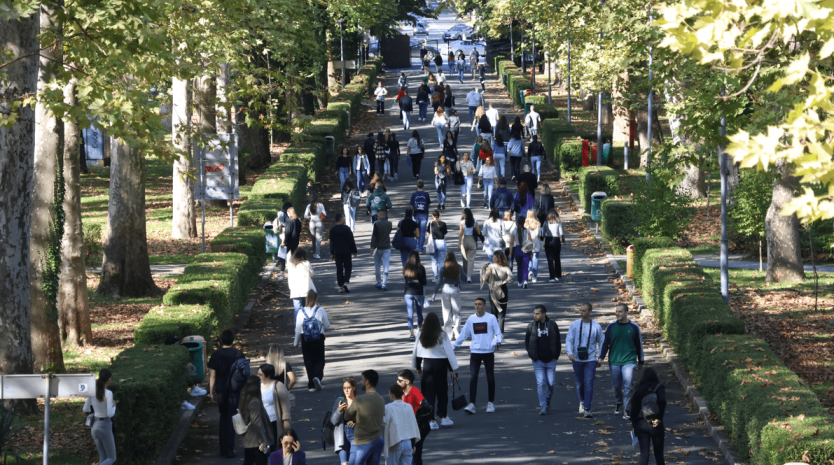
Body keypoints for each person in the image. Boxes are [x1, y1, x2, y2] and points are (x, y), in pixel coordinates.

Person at [453, 298, 504, 415]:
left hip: (488, 352)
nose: (477, 306)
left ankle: (490, 402)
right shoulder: (471, 319)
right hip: (475, 352)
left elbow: (498, 334)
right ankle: (472, 404)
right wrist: (454, 345)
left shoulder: (491, 318)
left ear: (485, 306)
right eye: (475, 304)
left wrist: (495, 341)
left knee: (490, 378)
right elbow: (463, 334)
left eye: (480, 304)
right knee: (473, 378)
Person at [411, 312, 459, 430]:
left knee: (428, 394)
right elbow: (448, 353)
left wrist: (418, 367)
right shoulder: (442, 335)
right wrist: (452, 369)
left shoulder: (421, 334)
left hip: (427, 365)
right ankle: (443, 417)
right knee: (442, 392)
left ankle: (431, 420)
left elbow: (417, 352)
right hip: (441, 365)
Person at [599, 303, 645, 418]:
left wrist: (641, 359)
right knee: (616, 386)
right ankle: (619, 403)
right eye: (616, 311)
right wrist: (601, 357)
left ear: (626, 313)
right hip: (614, 361)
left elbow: (638, 344)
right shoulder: (611, 327)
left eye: (620, 311)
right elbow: (605, 344)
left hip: (629, 360)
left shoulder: (634, 327)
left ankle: (627, 409)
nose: (617, 314)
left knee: (628, 385)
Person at [208, 329, 245, 458]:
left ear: (221, 340)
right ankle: (230, 448)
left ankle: (222, 448)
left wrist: (211, 392)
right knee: (232, 417)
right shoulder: (238, 354)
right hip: (234, 391)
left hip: (221, 391)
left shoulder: (216, 355)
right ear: (232, 340)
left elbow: (212, 376)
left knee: (223, 417)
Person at [566, 303, 605, 418]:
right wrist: (570, 352)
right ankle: (582, 401)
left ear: (590, 311)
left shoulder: (596, 326)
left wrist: (600, 357)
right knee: (580, 383)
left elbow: (602, 342)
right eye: (580, 310)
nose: (581, 313)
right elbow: (569, 340)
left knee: (589, 383)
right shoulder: (574, 325)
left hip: (590, 359)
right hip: (577, 358)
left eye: (584, 311)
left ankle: (587, 408)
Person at [525, 305, 562, 415]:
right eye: (534, 314)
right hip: (538, 361)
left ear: (544, 314)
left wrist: (556, 356)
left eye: (537, 313)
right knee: (540, 382)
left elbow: (558, 341)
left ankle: (547, 399)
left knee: (551, 383)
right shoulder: (531, 326)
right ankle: (543, 406)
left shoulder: (552, 325)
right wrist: (531, 354)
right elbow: (527, 341)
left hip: (551, 360)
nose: (535, 316)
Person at [344, 370, 386, 465]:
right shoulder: (381, 399)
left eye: (362, 380)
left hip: (362, 442)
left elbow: (347, 416)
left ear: (367, 382)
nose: (361, 382)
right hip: (378, 440)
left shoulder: (359, 400)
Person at [292, 290, 330, 392]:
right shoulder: (321, 310)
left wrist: (296, 342)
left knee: (308, 361)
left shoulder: (301, 312)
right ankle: (317, 377)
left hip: (305, 338)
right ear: (316, 299)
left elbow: (298, 329)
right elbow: (327, 325)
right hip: (318, 338)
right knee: (319, 359)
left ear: (306, 299)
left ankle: (311, 385)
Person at [630, 367, 667, 465]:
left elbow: (633, 410)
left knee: (644, 455)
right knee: (659, 455)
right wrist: (659, 418)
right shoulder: (659, 387)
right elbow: (662, 401)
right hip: (655, 423)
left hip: (641, 423)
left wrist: (635, 426)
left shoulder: (639, 389)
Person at [237, 376, 275, 465]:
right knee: (261, 462)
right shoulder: (255, 402)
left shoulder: (245, 400)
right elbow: (256, 423)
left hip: (249, 439)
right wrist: (262, 441)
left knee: (248, 461)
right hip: (256, 441)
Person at [83, 369, 117, 465]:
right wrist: (114, 406)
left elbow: (85, 409)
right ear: (109, 379)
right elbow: (110, 414)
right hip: (105, 425)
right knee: (111, 458)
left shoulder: (92, 391)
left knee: (103, 457)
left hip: (94, 426)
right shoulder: (108, 393)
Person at [431, 251, 467, 339]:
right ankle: (456, 328)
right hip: (455, 289)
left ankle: (448, 334)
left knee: (446, 312)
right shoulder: (459, 267)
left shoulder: (443, 269)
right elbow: (464, 278)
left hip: (445, 290)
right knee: (456, 311)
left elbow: (439, 282)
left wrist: (434, 293)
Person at [382, 384, 420, 465]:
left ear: (392, 395)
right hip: (408, 442)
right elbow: (413, 426)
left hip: (395, 442)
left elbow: (384, 422)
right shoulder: (408, 406)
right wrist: (413, 444)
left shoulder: (388, 407)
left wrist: (390, 442)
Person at [397, 370, 430, 465]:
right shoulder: (403, 392)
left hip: (418, 427)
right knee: (411, 452)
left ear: (407, 382)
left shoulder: (415, 392)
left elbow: (427, 407)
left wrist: (416, 417)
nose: (397, 382)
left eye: (400, 380)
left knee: (414, 453)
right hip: (409, 427)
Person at [257, 364, 292, 452]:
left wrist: (286, 421)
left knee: (275, 445)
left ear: (267, 375)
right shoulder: (258, 386)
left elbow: (285, 404)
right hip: (262, 421)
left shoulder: (278, 385)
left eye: (260, 374)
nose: (258, 375)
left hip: (274, 421)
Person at [480, 250, 513, 332]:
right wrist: (503, 282)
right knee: (502, 314)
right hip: (503, 290)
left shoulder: (490, 267)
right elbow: (510, 277)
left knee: (493, 312)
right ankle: (500, 333)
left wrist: (483, 270)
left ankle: (494, 332)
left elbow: (484, 278)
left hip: (493, 291)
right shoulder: (506, 268)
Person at [402, 250, 427, 340]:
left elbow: (407, 280)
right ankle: (419, 330)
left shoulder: (406, 267)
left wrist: (412, 281)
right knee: (419, 313)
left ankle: (411, 334)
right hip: (418, 293)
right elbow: (424, 282)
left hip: (408, 293)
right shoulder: (421, 268)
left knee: (410, 314)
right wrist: (418, 281)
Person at [332, 378, 358, 465]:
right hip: (341, 435)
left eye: (349, 388)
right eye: (344, 388)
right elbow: (333, 421)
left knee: (355, 461)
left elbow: (366, 418)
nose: (346, 390)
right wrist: (339, 410)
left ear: (354, 388)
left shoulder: (358, 401)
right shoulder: (339, 401)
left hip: (355, 434)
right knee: (344, 463)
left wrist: (356, 421)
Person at [330, 213, 358, 293]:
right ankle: (346, 280)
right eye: (343, 218)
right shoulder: (346, 229)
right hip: (346, 251)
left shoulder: (332, 230)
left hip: (337, 252)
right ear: (341, 219)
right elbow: (351, 240)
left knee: (339, 268)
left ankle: (341, 286)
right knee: (348, 266)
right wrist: (354, 250)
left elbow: (332, 242)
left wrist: (332, 253)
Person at [288, 248, 314, 320]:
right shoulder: (306, 263)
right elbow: (312, 273)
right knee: (306, 307)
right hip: (305, 288)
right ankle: (306, 322)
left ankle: (297, 324)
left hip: (295, 289)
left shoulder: (291, 264)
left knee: (297, 308)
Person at [371, 210, 393, 290]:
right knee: (386, 265)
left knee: (377, 266)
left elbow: (374, 236)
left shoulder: (376, 224)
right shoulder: (389, 223)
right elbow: (389, 232)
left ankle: (378, 282)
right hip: (386, 247)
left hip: (378, 247)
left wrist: (372, 247)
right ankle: (384, 283)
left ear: (380, 215)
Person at [542, 209, 565, 282]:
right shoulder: (558, 222)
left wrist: (542, 238)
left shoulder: (545, 223)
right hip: (556, 240)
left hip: (548, 240)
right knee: (557, 258)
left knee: (550, 259)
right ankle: (558, 274)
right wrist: (563, 239)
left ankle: (552, 277)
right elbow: (561, 233)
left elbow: (543, 233)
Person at [458, 208, 480, 280]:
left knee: (465, 258)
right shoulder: (475, 222)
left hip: (464, 239)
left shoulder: (461, 222)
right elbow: (478, 232)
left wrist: (459, 243)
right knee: (471, 259)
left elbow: (461, 233)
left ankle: (465, 272)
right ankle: (469, 276)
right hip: (472, 240)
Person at [427, 210, 448, 282]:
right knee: (441, 261)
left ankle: (436, 277)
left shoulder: (430, 224)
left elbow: (428, 234)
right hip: (441, 242)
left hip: (433, 243)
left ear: (432, 216)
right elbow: (445, 233)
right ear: (439, 215)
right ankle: (441, 277)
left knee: (434, 261)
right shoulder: (443, 224)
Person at [410, 180, 431, 253]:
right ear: (423, 186)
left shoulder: (414, 194)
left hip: (416, 215)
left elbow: (412, 207)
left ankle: (417, 246)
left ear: (417, 186)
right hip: (424, 215)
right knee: (422, 232)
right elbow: (428, 204)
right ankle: (420, 248)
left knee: (416, 231)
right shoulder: (426, 194)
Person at [304, 193, 326, 259]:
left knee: (313, 238)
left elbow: (305, 216)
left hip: (312, 223)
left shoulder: (309, 206)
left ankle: (314, 251)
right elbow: (325, 214)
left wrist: (311, 216)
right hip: (319, 222)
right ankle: (317, 253)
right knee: (318, 239)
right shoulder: (321, 205)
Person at [273, 202, 293, 276]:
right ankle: (284, 266)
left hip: (287, 231)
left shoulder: (285, 213)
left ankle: (288, 264)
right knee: (284, 248)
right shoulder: (281, 213)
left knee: (287, 249)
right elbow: (281, 223)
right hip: (283, 232)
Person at [512, 216, 531, 289]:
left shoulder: (514, 231)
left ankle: (520, 281)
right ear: (524, 222)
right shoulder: (527, 231)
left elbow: (511, 242)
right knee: (525, 266)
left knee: (519, 266)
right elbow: (530, 241)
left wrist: (510, 252)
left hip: (517, 249)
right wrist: (531, 251)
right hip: (525, 248)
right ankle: (525, 281)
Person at [525, 211, 542, 283]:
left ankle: (530, 270)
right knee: (535, 260)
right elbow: (539, 235)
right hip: (536, 244)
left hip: (528, 244)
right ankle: (534, 276)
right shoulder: (537, 224)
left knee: (528, 258)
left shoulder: (526, 224)